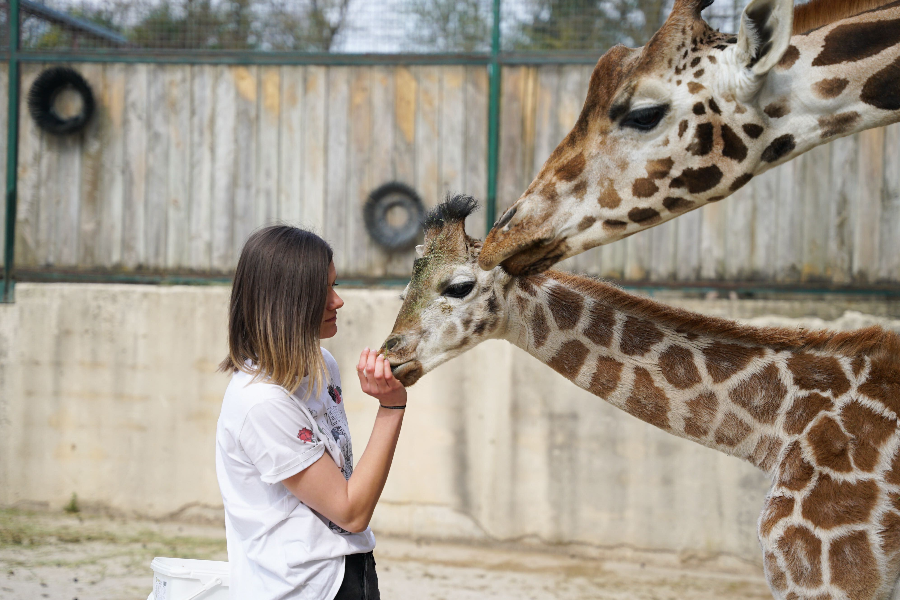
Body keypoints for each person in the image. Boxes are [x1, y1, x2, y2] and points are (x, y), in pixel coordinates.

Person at [215, 225, 406, 600]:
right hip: (302, 589)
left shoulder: (322, 364)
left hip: (349, 568)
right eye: (324, 291)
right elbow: (349, 511)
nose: (338, 301)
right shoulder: (261, 403)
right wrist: (391, 407)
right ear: (289, 302)